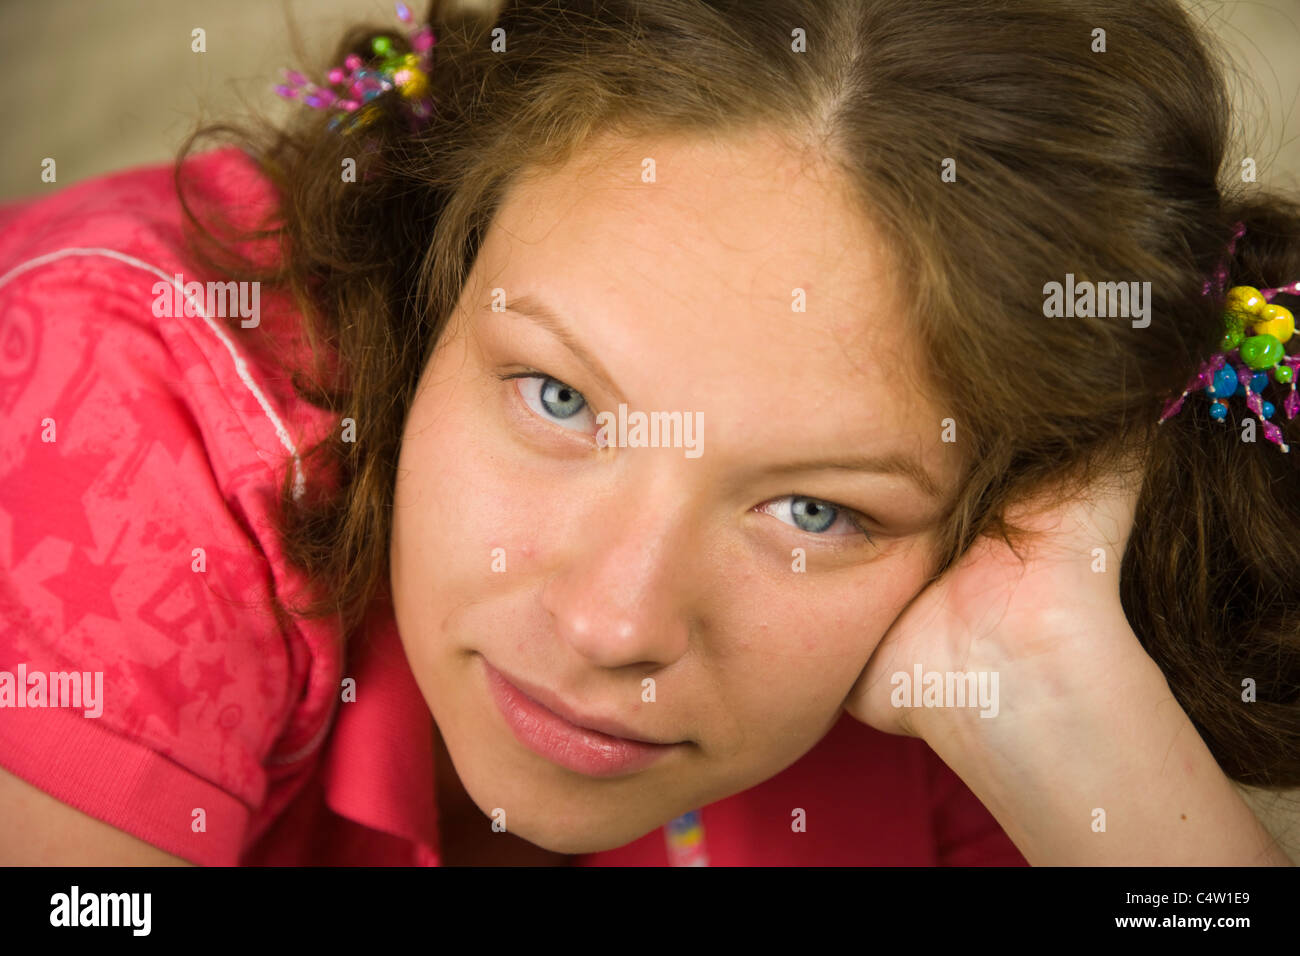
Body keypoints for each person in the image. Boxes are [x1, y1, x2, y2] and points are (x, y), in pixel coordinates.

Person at [0, 0, 1296, 866]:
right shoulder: (123, 409)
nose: (617, 625)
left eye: (816, 510)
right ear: (428, 275)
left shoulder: (975, 615)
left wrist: (1054, 695)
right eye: (557, 398)